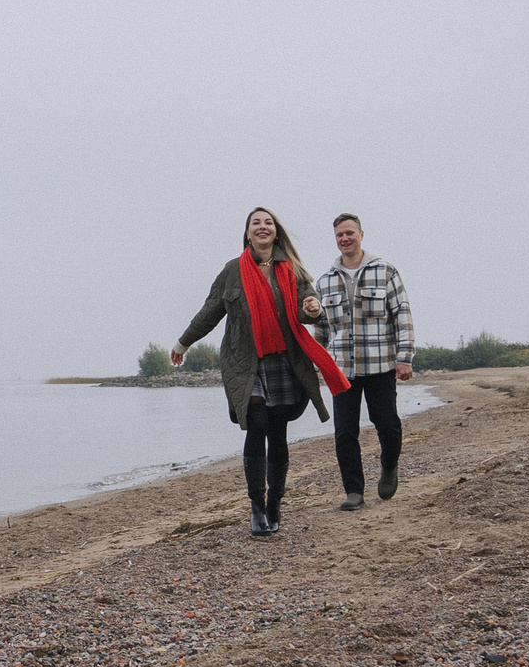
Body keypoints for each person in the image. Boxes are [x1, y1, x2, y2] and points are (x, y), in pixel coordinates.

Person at [172, 208, 351, 537]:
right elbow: (210, 310)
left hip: (284, 360)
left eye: (268, 222)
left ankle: (275, 504)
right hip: (245, 362)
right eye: (256, 223)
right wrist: (184, 343)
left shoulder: (291, 269)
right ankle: (256, 507)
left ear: (275, 231)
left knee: (278, 430)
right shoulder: (232, 272)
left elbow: (308, 303)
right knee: (255, 422)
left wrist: (312, 306)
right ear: (248, 233)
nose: (263, 227)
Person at [310, 212, 414, 511]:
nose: (345, 239)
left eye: (349, 233)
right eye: (340, 235)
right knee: (344, 433)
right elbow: (321, 330)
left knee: (388, 425)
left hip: (380, 364)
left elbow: (402, 317)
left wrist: (404, 358)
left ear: (361, 235)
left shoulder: (385, 271)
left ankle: (389, 465)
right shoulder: (325, 281)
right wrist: (319, 365)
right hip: (342, 369)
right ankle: (354, 492)